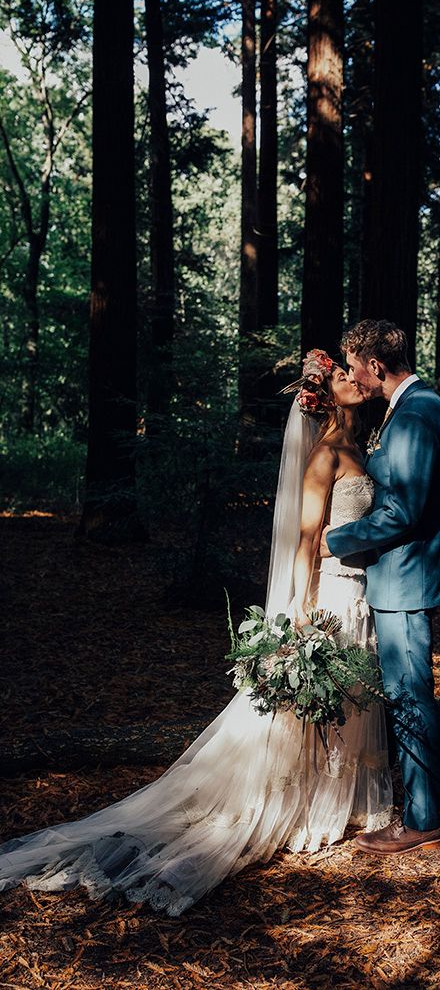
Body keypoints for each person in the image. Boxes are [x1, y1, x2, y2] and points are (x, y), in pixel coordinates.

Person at [0, 350, 393, 916]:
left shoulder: (361, 446)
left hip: (360, 589)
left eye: (349, 371)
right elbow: (306, 539)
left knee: (349, 700)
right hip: (329, 593)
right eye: (338, 374)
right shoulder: (325, 454)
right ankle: (303, 802)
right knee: (315, 707)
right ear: (324, 393)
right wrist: (302, 611)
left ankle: (341, 798)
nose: (351, 378)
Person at [321, 319, 440, 855]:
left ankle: (421, 819)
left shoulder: (418, 414)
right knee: (405, 693)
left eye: (355, 366)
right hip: (403, 573)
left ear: (375, 365)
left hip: (406, 576)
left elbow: (402, 512)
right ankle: (417, 809)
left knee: (408, 696)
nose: (352, 375)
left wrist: (337, 541)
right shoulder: (416, 408)